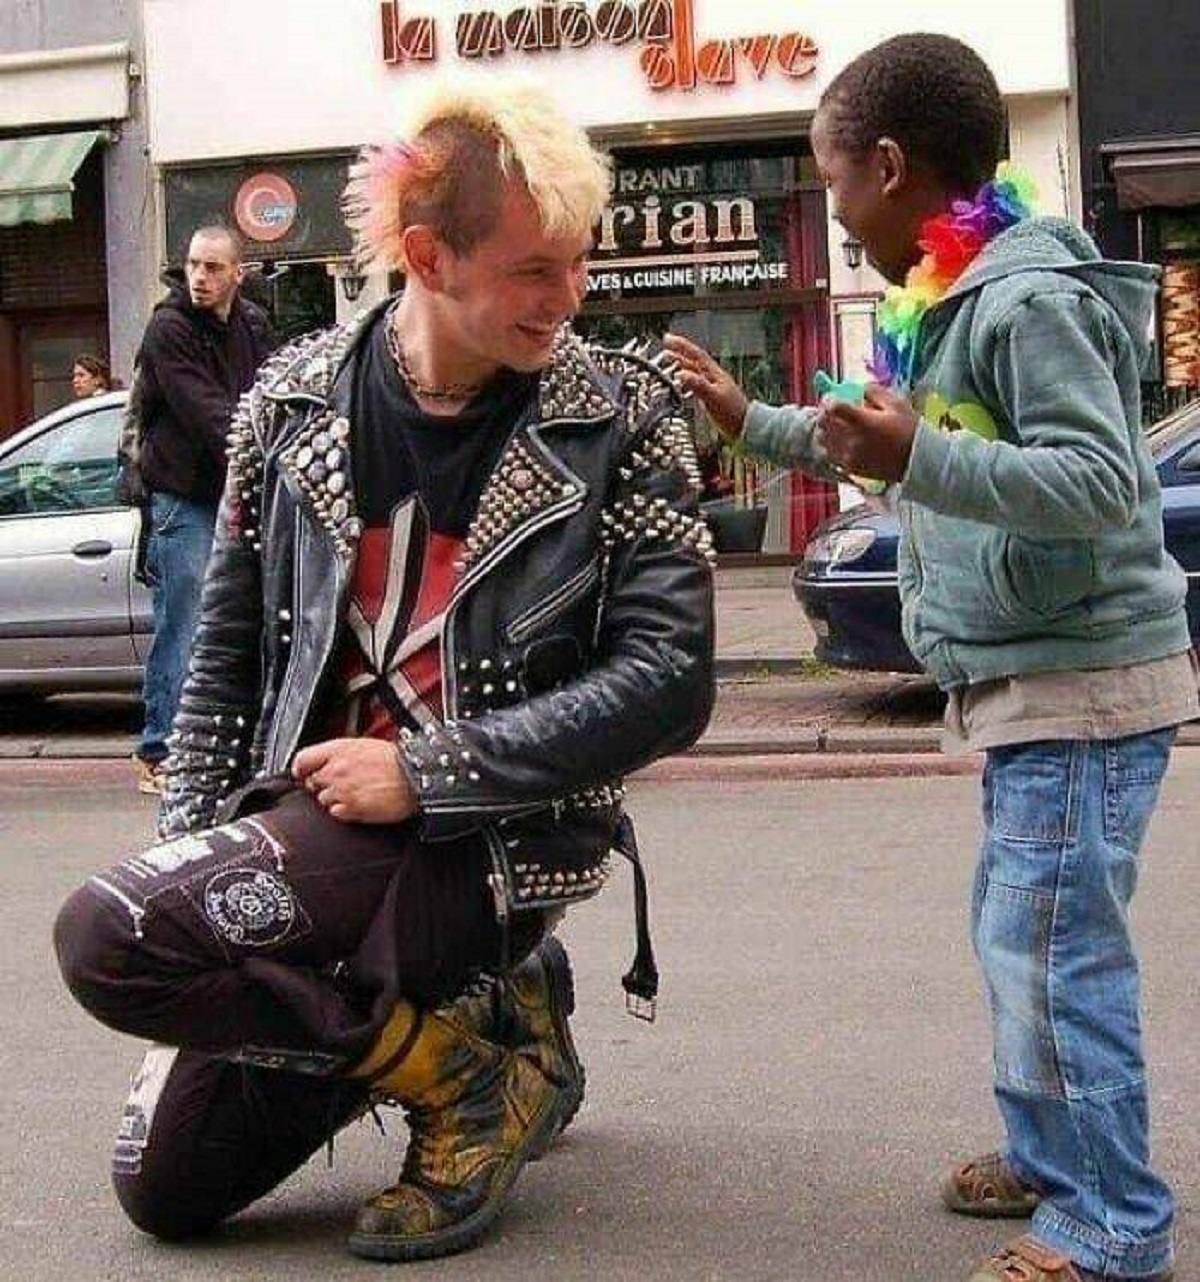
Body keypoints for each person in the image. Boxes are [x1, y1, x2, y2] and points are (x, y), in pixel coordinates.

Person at [54, 81, 715, 1264]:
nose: (571, 299)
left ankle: (476, 1066)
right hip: (308, 837)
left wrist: (429, 768)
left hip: (496, 841)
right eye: (534, 269)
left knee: (103, 936)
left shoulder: (623, 412)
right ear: (426, 253)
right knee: (166, 1184)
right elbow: (222, 669)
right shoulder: (289, 402)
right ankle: (468, 1042)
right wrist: (195, 886)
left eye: (579, 262)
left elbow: (672, 678)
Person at [666, 33, 1194, 1282]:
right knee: (1022, 929)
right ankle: (1050, 1150)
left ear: (892, 167)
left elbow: (1101, 482)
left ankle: (1113, 1223)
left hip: (1082, 679)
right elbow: (878, 435)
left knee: (1055, 948)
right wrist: (757, 422)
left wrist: (917, 460)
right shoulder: (952, 297)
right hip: (1033, 673)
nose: (836, 214)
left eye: (835, 181)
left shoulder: (1026, 301)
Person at [132, 227, 275, 794]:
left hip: (233, 492)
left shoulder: (253, 326)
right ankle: (161, 749)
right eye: (193, 265)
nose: (200, 277)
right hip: (183, 498)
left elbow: (271, 392)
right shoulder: (169, 328)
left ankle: (233, 747)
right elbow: (206, 411)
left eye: (214, 267)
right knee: (186, 620)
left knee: (247, 620)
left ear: (238, 273)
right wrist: (264, 449)